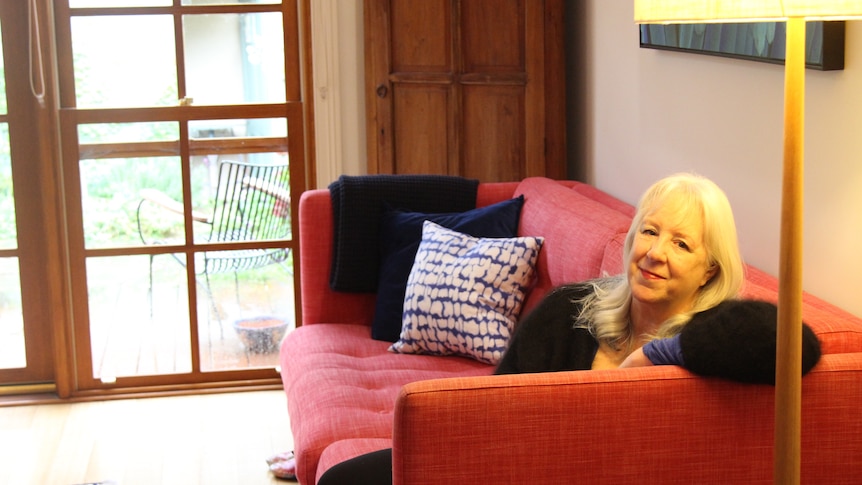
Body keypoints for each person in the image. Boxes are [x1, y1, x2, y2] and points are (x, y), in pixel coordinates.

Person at [314, 173, 822, 485]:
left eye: (682, 244)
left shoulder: (716, 332)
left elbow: (796, 345)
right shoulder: (569, 310)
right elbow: (494, 408)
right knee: (343, 479)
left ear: (710, 270)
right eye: (649, 230)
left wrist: (658, 355)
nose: (654, 253)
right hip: (514, 470)